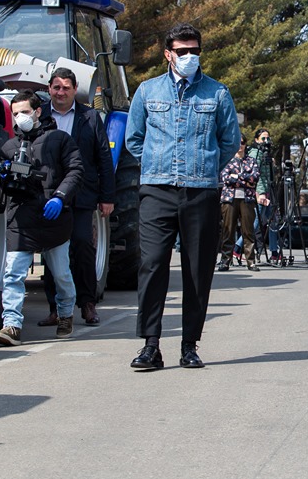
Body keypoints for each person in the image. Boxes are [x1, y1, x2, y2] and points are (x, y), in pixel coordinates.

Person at [124, 22, 240, 370]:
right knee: (152, 264)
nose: (190, 56)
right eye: (183, 51)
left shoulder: (217, 93)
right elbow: (134, 138)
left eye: (195, 51)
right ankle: (151, 345)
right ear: (168, 54)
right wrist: (156, 163)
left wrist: (204, 165)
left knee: (197, 269)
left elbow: (229, 141)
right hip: (157, 190)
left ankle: (189, 345)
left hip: (200, 191)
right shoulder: (147, 91)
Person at [0, 90, 84, 346]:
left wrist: (60, 197)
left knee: (61, 275)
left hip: (54, 218)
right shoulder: (9, 148)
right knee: (13, 274)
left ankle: (65, 314)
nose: (20, 117)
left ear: (38, 112)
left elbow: (76, 170)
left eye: (25, 111)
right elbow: (3, 188)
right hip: (21, 220)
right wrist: (4, 177)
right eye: (16, 113)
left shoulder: (60, 139)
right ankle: (11, 325)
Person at [37, 68, 115, 327]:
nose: (61, 92)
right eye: (56, 87)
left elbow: (104, 158)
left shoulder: (89, 117)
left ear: (74, 90)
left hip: (82, 194)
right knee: (52, 250)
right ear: (49, 89)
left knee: (82, 245)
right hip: (49, 195)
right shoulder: (40, 115)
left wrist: (107, 196)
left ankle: (88, 304)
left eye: (66, 88)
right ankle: (56, 308)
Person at [234, 128, 280, 264]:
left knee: (273, 222)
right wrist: (260, 194)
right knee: (255, 223)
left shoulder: (265, 152)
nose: (266, 141)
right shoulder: (256, 152)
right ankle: (237, 247)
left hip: (269, 190)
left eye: (268, 138)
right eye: (263, 138)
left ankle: (274, 252)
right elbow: (255, 174)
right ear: (256, 140)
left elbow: (269, 174)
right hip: (261, 192)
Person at [218, 135, 260, 271]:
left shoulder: (251, 161)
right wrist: (246, 180)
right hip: (229, 199)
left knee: (248, 231)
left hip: (247, 200)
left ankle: (251, 262)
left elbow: (255, 177)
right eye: (238, 142)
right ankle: (225, 261)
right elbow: (225, 178)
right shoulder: (227, 160)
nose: (240, 145)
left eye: (242, 142)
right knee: (228, 230)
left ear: (246, 144)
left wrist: (236, 177)